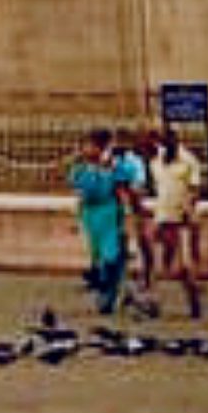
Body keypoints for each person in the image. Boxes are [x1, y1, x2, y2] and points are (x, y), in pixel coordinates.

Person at [148, 126, 208, 316]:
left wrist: (188, 210)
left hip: (182, 217)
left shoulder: (189, 161)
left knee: (184, 265)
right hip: (162, 216)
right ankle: (154, 302)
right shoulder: (156, 162)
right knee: (158, 263)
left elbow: (195, 189)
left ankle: (194, 301)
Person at [67, 128, 127, 314]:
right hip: (91, 215)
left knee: (110, 255)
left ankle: (110, 290)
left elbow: (121, 191)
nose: (85, 149)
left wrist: (124, 215)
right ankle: (105, 295)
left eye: (89, 145)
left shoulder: (114, 166)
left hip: (108, 212)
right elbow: (79, 193)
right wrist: (76, 217)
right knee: (98, 255)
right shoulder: (81, 168)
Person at [113, 127, 156, 314]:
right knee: (123, 253)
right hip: (118, 212)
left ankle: (144, 289)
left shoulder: (133, 162)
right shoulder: (111, 161)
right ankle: (127, 290)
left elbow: (137, 189)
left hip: (131, 212)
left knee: (138, 250)